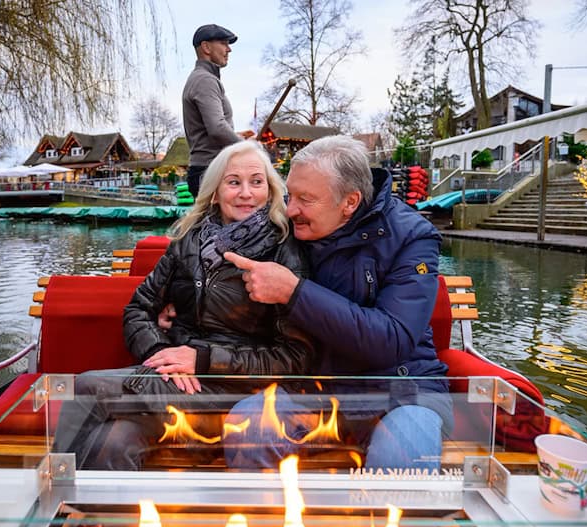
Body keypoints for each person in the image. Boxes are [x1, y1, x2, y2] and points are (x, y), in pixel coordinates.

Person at [52, 141, 314, 469]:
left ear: (271, 189)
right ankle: (98, 518)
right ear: (215, 193)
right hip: (181, 385)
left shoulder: (284, 251)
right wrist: (161, 356)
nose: (246, 192)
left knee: (88, 386)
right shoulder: (190, 242)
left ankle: (52, 497)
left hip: (241, 392)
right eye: (234, 182)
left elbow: (295, 357)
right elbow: (139, 308)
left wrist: (202, 359)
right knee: (114, 441)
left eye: (256, 181)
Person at [221, 135, 452, 470]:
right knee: (247, 425)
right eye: (289, 195)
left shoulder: (413, 236)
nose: (290, 209)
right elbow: (212, 251)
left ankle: (396, 523)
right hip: (312, 389)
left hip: (402, 391)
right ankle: (265, 522)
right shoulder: (288, 227)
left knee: (405, 450)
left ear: (350, 202)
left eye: (305, 199)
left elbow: (393, 339)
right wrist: (180, 303)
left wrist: (293, 292)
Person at [182, 24, 253, 199]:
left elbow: (214, 128)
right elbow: (217, 128)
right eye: (223, 43)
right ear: (206, 47)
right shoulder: (205, 80)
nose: (229, 49)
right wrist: (248, 147)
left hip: (208, 169)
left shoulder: (203, 78)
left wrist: (240, 138)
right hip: (209, 171)